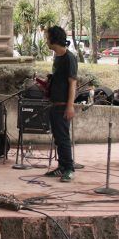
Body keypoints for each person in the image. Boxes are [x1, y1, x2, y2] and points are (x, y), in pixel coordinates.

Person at [43, 26, 78, 182]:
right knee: (58, 138)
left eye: (47, 37)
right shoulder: (57, 57)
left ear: (54, 38)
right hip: (54, 103)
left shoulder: (69, 58)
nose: (46, 41)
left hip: (63, 104)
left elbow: (72, 83)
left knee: (63, 138)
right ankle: (62, 166)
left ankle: (69, 168)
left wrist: (70, 106)